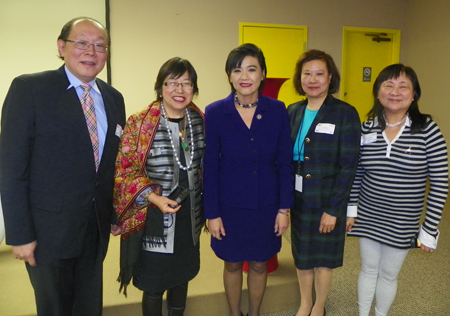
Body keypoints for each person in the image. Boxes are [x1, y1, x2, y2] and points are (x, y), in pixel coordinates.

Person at [0, 17, 126, 315]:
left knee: (88, 304)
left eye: (100, 46)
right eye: (81, 43)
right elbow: (11, 168)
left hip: (94, 228)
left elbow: (110, 165)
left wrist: (114, 212)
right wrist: (19, 234)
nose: (91, 52)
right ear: (61, 46)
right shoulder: (29, 89)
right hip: (47, 232)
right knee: (55, 307)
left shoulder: (113, 98)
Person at [347, 64, 448, 316]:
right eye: (388, 85)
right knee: (368, 269)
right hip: (369, 214)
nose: (395, 92)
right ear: (378, 92)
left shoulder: (427, 129)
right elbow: (357, 173)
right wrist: (351, 209)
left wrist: (429, 229)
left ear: (414, 95)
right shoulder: (366, 128)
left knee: (389, 275)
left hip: (403, 220)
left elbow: (440, 182)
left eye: (403, 86)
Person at [203, 43, 294, 316]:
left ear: (263, 74)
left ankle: (253, 313)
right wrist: (212, 214)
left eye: (251, 68)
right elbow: (210, 167)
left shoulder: (278, 110)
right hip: (228, 206)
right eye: (237, 69)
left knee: (258, 263)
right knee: (231, 263)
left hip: (267, 206)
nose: (244, 75)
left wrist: (284, 209)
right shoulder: (216, 112)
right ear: (229, 76)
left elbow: (285, 164)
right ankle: (234, 313)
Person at [113, 57, 204, 316]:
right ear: (160, 87)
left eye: (186, 84)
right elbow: (124, 171)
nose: (179, 90)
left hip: (189, 218)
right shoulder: (140, 122)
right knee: (153, 284)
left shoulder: (199, 120)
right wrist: (153, 197)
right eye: (171, 83)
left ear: (194, 89)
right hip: (153, 217)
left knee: (181, 277)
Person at [287, 49, 361, 316]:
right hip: (299, 199)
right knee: (302, 255)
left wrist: (334, 209)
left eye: (319, 73)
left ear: (330, 78)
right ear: (300, 78)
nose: (313, 79)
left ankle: (319, 306)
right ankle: (305, 302)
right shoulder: (292, 111)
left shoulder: (345, 113)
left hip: (327, 200)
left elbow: (348, 166)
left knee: (323, 260)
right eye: (307, 73)